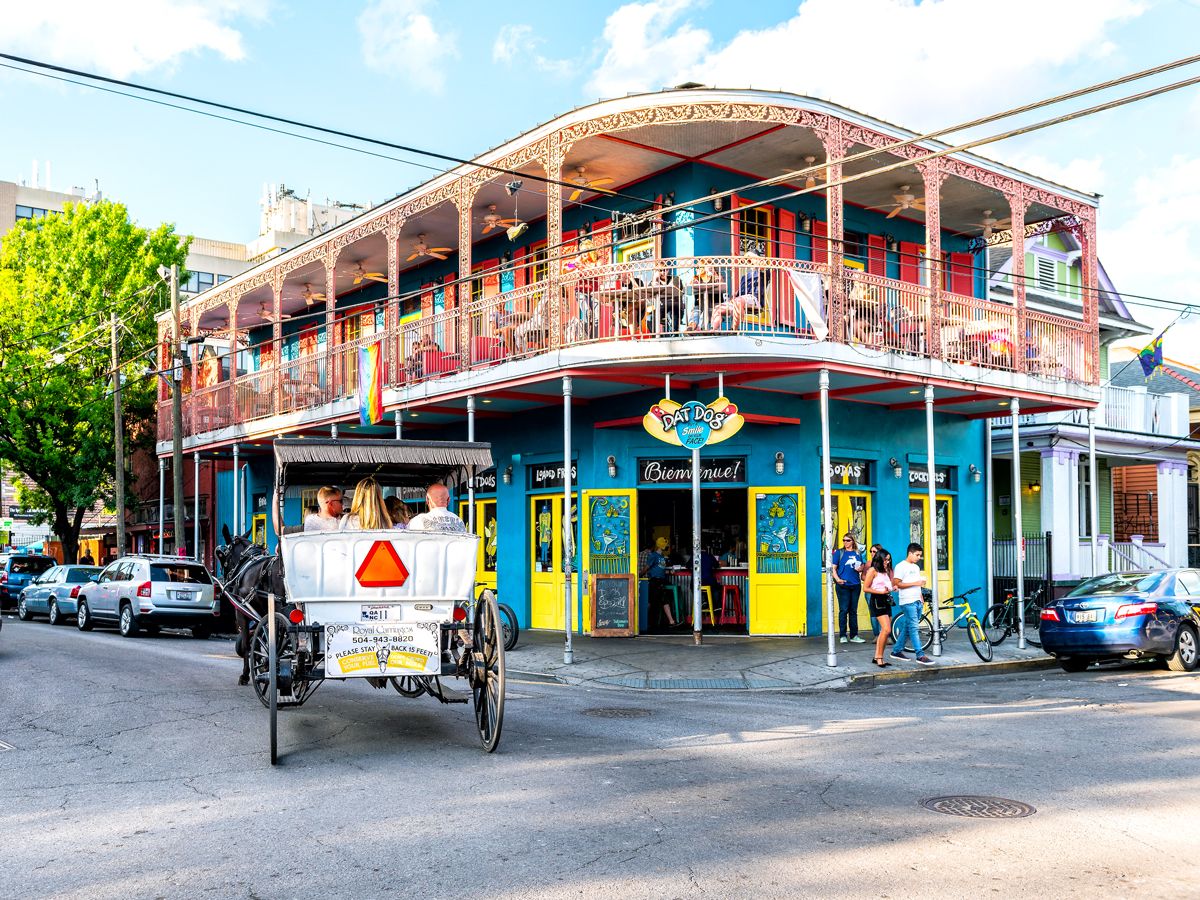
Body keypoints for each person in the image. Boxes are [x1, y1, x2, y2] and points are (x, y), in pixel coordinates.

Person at [890, 542, 933, 665]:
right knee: (914, 628)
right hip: (907, 601)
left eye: (920, 555)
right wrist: (916, 584)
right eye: (917, 555)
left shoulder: (916, 567)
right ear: (910, 553)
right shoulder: (900, 566)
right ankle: (920, 655)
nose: (919, 558)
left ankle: (896, 651)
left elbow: (917, 583)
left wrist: (921, 597)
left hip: (917, 600)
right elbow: (897, 584)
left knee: (909, 627)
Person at [831, 532, 866, 644]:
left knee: (853, 611)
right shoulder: (839, 553)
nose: (845, 542)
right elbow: (833, 569)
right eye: (844, 540)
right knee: (843, 610)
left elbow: (861, 567)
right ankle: (842, 635)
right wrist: (837, 580)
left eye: (848, 540)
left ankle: (854, 635)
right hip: (843, 585)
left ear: (853, 541)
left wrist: (860, 568)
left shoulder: (858, 553)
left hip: (855, 585)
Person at [862, 548, 895, 667]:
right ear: (880, 558)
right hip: (877, 599)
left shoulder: (886, 570)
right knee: (886, 629)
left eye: (889, 560)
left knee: (884, 632)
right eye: (885, 560)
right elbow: (865, 588)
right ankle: (879, 657)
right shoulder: (872, 570)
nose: (887, 562)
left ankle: (878, 656)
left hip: (886, 599)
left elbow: (888, 585)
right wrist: (880, 592)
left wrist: (892, 588)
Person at [641, 537, 677, 630]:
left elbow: (660, 570)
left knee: (658, 600)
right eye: (666, 544)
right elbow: (647, 567)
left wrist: (669, 572)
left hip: (660, 581)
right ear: (661, 545)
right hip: (654, 581)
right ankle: (643, 621)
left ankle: (670, 621)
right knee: (653, 601)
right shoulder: (653, 556)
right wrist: (639, 575)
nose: (667, 546)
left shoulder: (661, 557)